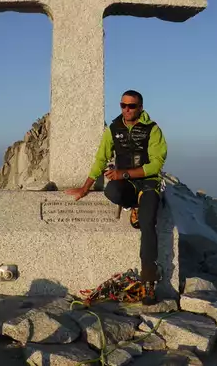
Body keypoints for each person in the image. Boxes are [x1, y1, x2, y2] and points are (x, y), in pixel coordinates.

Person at [66, 89, 167, 305]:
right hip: (127, 184)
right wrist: (85, 188)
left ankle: (149, 280)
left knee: (148, 224)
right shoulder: (114, 129)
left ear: (140, 107)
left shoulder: (152, 129)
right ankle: (134, 205)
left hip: (148, 182)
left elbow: (157, 164)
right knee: (111, 190)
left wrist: (125, 173)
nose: (127, 109)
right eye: (123, 105)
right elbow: (101, 158)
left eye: (131, 106)